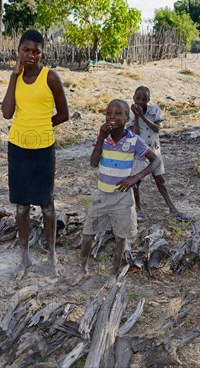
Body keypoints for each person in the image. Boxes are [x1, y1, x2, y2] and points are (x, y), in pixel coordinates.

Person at [2, 29, 69, 279]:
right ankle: (25, 258)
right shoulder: (16, 78)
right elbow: (7, 113)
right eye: (26, 50)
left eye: (36, 52)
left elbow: (64, 113)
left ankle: (51, 256)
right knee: (21, 205)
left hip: (43, 147)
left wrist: (41, 125)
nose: (30, 55)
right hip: (17, 146)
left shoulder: (50, 77)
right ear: (18, 51)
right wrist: (13, 77)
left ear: (42, 53)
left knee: (47, 205)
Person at [76, 99, 160, 282]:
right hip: (101, 195)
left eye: (118, 113)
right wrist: (100, 137)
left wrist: (135, 177)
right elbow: (93, 162)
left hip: (122, 198)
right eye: (109, 113)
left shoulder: (134, 141)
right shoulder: (104, 138)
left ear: (127, 117)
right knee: (89, 232)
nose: (112, 117)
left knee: (121, 236)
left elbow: (155, 161)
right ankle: (83, 269)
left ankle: (113, 273)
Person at [128, 86, 188, 221]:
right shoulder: (130, 114)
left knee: (160, 180)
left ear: (148, 99)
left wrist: (142, 116)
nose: (140, 101)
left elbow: (156, 129)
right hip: (139, 153)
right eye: (138, 98)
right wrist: (137, 118)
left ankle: (172, 208)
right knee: (136, 181)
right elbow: (136, 135)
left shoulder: (154, 110)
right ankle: (137, 208)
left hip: (154, 150)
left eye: (144, 99)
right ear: (133, 98)